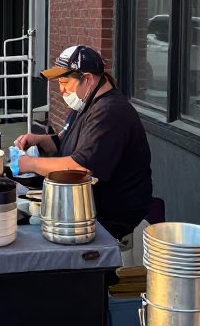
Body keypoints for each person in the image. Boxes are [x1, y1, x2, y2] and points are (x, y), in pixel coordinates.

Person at [15, 45, 152, 242]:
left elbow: (80, 167)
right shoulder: (85, 104)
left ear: (87, 79)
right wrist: (41, 140)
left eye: (64, 82)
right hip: (87, 208)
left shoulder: (110, 112)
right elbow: (70, 141)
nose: (61, 90)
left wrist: (28, 163)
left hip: (110, 218)